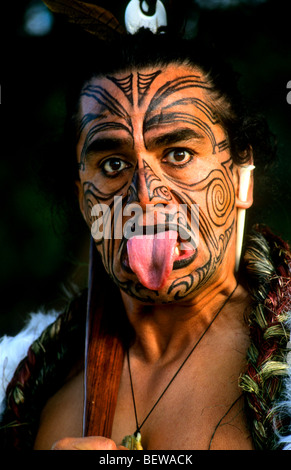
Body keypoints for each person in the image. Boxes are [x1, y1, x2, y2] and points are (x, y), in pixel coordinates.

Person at [0, 0, 291, 451]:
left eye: (178, 154)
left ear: (241, 177)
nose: (146, 195)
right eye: (113, 163)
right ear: (83, 200)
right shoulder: (28, 390)